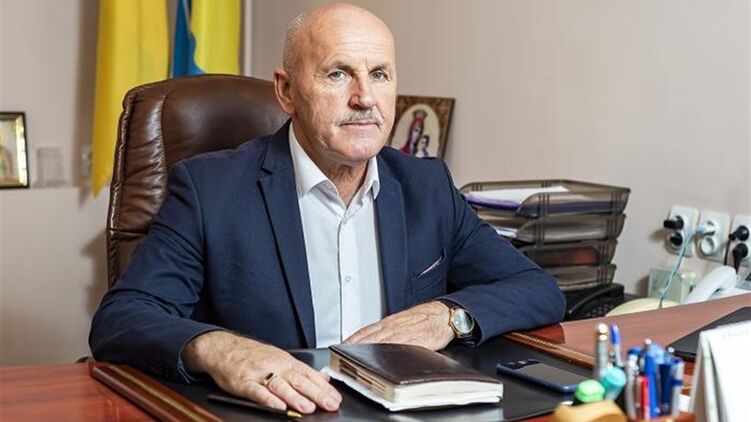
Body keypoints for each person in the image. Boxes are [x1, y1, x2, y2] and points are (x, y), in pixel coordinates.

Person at [89, 3, 565, 416]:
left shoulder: (426, 186)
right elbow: (122, 317)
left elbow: (536, 288)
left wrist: (446, 317)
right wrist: (219, 349)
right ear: (286, 91)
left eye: (379, 74)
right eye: (338, 73)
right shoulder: (211, 189)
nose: (364, 98)